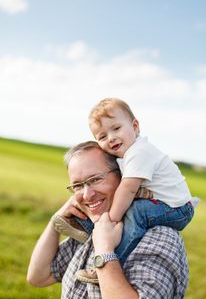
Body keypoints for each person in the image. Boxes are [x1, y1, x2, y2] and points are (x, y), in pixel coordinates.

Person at [27, 141, 189, 299]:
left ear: (123, 176)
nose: (87, 195)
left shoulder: (160, 238)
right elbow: (39, 276)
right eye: (77, 186)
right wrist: (56, 221)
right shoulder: (96, 228)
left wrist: (104, 251)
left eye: (95, 179)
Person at [56, 98, 196, 282]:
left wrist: (111, 219)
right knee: (123, 205)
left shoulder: (139, 152)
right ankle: (87, 227)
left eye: (116, 128)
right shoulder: (127, 155)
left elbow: (128, 189)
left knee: (135, 211)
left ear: (135, 126)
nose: (111, 138)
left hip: (178, 210)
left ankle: (108, 262)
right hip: (165, 204)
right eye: (103, 136)